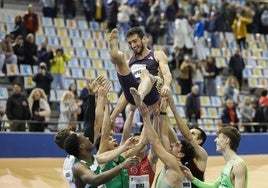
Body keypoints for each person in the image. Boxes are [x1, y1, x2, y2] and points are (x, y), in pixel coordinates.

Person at [108, 27, 172, 121]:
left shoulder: (157, 55)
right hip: (134, 94)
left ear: (144, 39)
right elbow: (126, 92)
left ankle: (140, 95)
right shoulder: (130, 61)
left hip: (151, 93)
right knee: (121, 61)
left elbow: (166, 73)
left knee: (146, 75)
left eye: (135, 41)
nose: (132, 45)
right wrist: (113, 117)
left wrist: (166, 85)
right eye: (130, 43)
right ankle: (114, 53)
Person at [54, 127, 140, 188]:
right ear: (82, 146)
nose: (88, 137)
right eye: (84, 138)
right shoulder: (78, 166)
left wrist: (124, 147)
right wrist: (121, 166)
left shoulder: (89, 158)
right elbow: (95, 179)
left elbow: (105, 156)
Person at [138, 103, 195, 188]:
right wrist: (162, 112)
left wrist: (146, 117)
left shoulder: (173, 163)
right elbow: (163, 135)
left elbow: (155, 142)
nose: (172, 144)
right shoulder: (174, 163)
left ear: (180, 154)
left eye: (177, 145)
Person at [180, 126, 248, 188]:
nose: (215, 140)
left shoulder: (238, 165)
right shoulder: (228, 165)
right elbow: (213, 186)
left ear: (227, 140)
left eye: (218, 137)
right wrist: (192, 179)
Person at [167, 91, 208, 188]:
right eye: (190, 131)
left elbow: (186, 135)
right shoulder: (181, 150)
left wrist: (173, 108)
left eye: (193, 133)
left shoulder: (202, 155)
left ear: (199, 141)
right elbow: (169, 129)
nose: (189, 133)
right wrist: (163, 110)